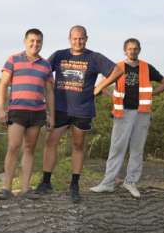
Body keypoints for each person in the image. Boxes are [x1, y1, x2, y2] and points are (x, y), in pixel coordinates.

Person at [35, 25, 123, 203]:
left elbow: (118, 70)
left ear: (86, 39)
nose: (78, 41)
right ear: (69, 39)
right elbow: (42, 71)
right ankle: (45, 182)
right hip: (60, 108)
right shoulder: (60, 55)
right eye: (75, 38)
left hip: (82, 109)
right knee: (51, 143)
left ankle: (74, 185)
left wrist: (99, 87)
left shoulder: (94, 57)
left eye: (81, 38)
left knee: (78, 145)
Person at [91, 38, 164, 198]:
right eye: (130, 49)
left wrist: (152, 94)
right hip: (122, 113)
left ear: (139, 50)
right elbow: (100, 86)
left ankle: (131, 182)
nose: (132, 51)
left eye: (135, 48)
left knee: (137, 149)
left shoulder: (146, 67)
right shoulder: (117, 67)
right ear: (125, 50)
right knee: (117, 148)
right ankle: (108, 183)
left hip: (142, 113)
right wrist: (112, 95)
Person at [0, 28, 54, 200]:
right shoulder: (13, 59)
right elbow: (3, 85)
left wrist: (51, 114)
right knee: (13, 147)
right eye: (32, 41)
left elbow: (50, 92)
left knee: (29, 149)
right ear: (25, 41)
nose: (35, 44)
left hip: (37, 112)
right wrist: (1, 108)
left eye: (39, 41)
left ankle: (25, 189)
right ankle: (6, 188)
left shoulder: (45, 65)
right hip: (17, 111)